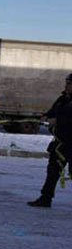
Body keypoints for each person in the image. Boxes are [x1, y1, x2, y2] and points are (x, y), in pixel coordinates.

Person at [27, 73, 72, 208]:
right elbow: (52, 112)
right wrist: (45, 117)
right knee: (52, 171)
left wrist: (58, 121)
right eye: (67, 82)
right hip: (60, 143)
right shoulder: (62, 99)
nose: (67, 85)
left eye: (70, 83)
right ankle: (46, 198)